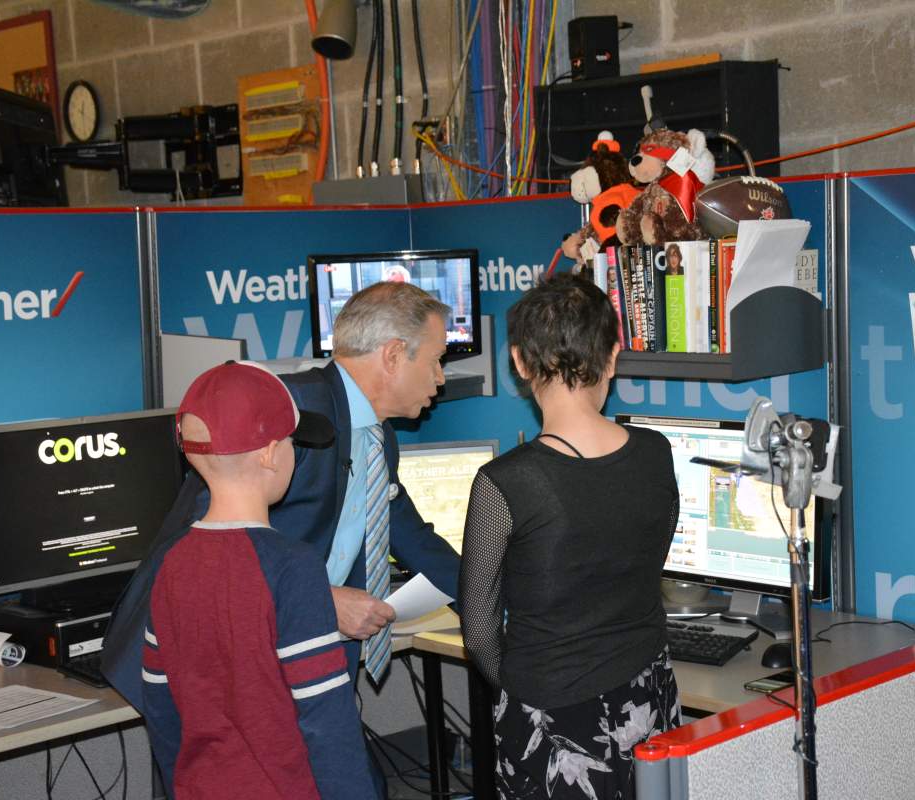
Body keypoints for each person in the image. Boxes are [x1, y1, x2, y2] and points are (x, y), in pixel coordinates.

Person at [100, 282, 460, 786]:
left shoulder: (377, 435)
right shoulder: (291, 415)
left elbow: (407, 532)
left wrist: (495, 604)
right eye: (438, 359)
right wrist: (320, 600)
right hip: (216, 681)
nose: (441, 379)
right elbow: (214, 545)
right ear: (394, 355)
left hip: (287, 666)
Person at [459, 272, 681, 800]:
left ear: (518, 361)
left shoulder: (505, 482)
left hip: (549, 719)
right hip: (647, 696)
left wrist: (523, 686)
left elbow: (479, 628)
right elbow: (648, 564)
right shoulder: (656, 453)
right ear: (612, 357)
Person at [141, 360, 377, 799]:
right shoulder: (292, 566)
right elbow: (327, 721)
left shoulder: (171, 564)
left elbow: (160, 703)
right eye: (291, 441)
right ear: (270, 453)